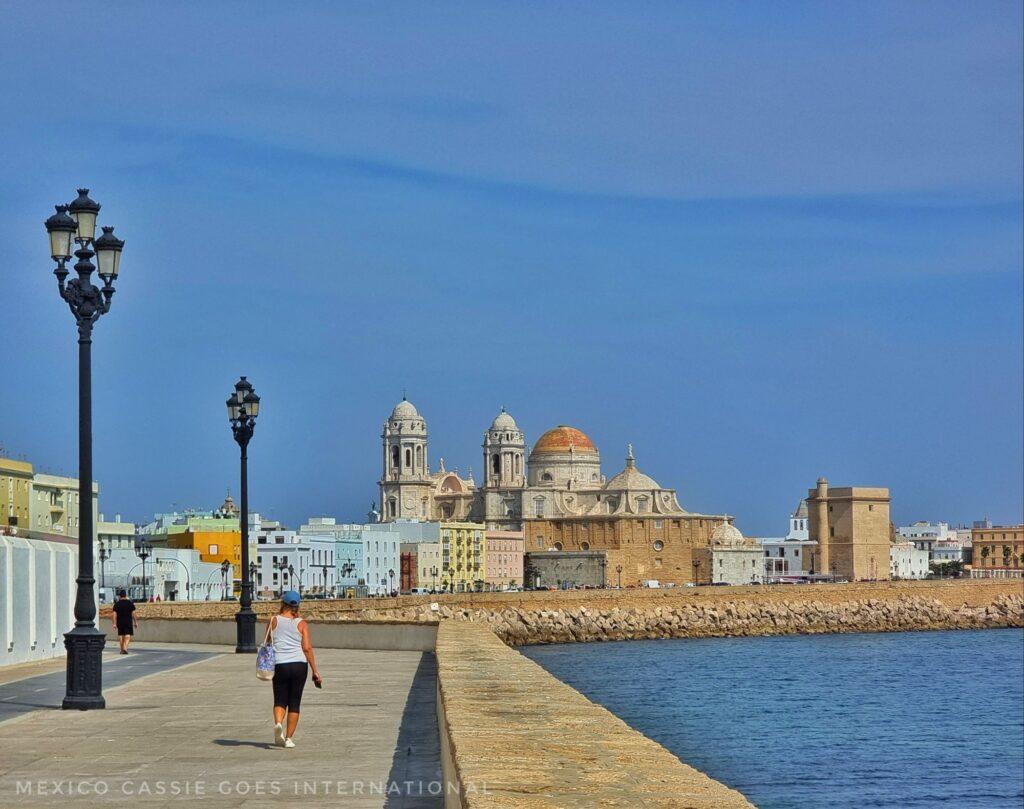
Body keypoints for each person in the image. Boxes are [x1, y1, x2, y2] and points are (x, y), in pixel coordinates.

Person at [266, 590, 322, 748]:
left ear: (282, 603)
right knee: (294, 702)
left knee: (280, 699)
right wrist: (315, 670)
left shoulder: (273, 621)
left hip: (280, 664)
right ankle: (289, 739)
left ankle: (278, 723)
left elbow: (268, 642)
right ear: (297, 605)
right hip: (299, 665)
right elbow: (307, 648)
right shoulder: (301, 623)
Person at [111, 590, 137, 654]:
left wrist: (114, 623)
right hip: (128, 622)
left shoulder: (116, 604)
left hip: (120, 622)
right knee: (127, 635)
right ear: (126, 595)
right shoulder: (130, 603)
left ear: (120, 596)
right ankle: (125, 648)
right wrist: (135, 622)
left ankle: (122, 649)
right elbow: (133, 613)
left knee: (121, 635)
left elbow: (114, 615)